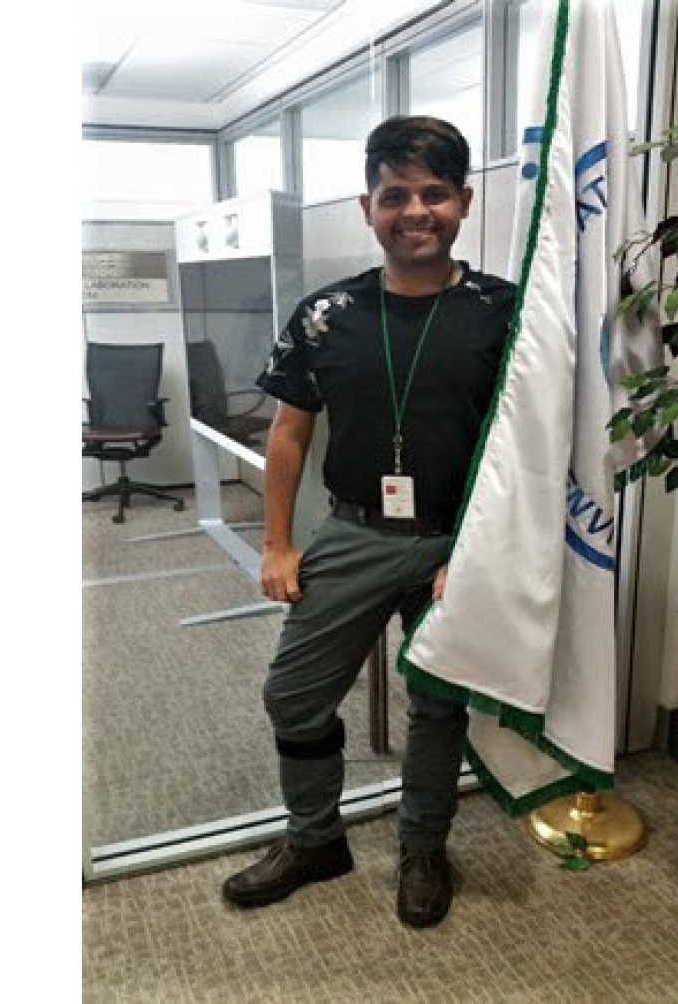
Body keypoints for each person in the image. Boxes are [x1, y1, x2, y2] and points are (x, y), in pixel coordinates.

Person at [220, 116, 516, 928]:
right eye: (395, 195)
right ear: (367, 206)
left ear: (463, 200)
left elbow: (529, 443)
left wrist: (488, 550)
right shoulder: (327, 314)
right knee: (294, 696)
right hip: (354, 534)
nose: (413, 211)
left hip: (460, 540)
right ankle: (315, 839)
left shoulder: (502, 312)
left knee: (437, 706)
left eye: (432, 193)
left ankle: (423, 847)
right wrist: (276, 543)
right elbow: (288, 432)